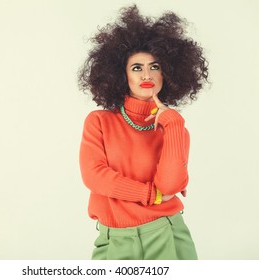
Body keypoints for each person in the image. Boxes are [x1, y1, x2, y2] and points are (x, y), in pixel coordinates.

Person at [77, 4, 208, 260]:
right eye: (136, 68)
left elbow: (170, 185)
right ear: (121, 75)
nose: (146, 74)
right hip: (112, 239)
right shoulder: (99, 122)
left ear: (167, 73)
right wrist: (150, 194)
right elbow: (94, 177)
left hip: (167, 235)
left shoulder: (175, 128)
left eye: (155, 66)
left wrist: (172, 122)